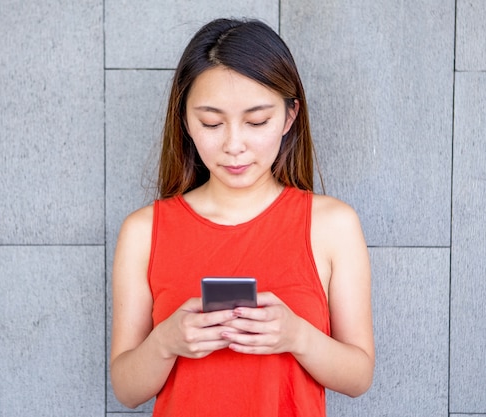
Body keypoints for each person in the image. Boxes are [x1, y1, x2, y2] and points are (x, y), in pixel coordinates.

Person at [110, 18, 374, 417]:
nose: (234, 145)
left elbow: (359, 376)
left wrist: (297, 336)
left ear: (289, 117)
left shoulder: (333, 225)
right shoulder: (143, 231)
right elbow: (127, 389)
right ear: (184, 120)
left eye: (256, 121)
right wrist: (165, 342)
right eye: (212, 123)